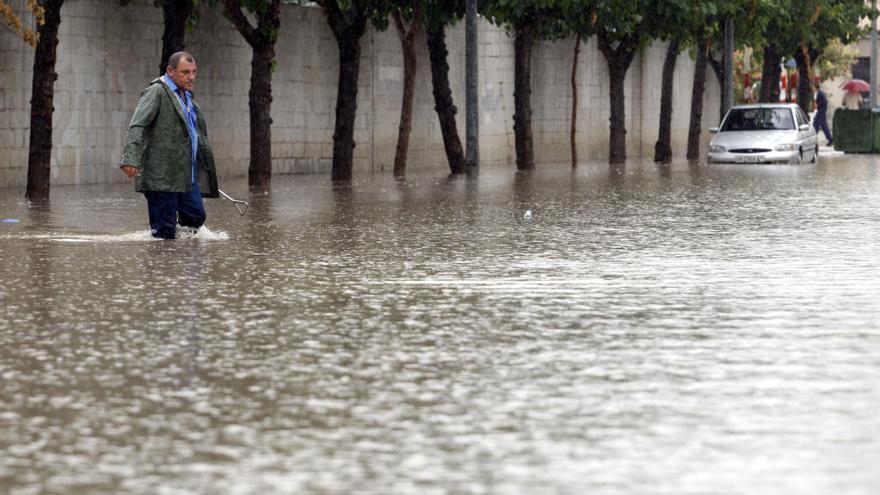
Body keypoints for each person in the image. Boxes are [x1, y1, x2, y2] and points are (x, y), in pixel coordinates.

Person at [120, 51, 218, 239]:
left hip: (185, 174)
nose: (191, 77)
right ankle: (163, 265)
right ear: (170, 71)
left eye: (194, 72)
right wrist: (130, 157)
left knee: (196, 217)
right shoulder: (157, 91)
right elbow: (138, 124)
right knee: (164, 231)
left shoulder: (187, 97)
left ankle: (185, 264)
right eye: (186, 72)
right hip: (161, 176)